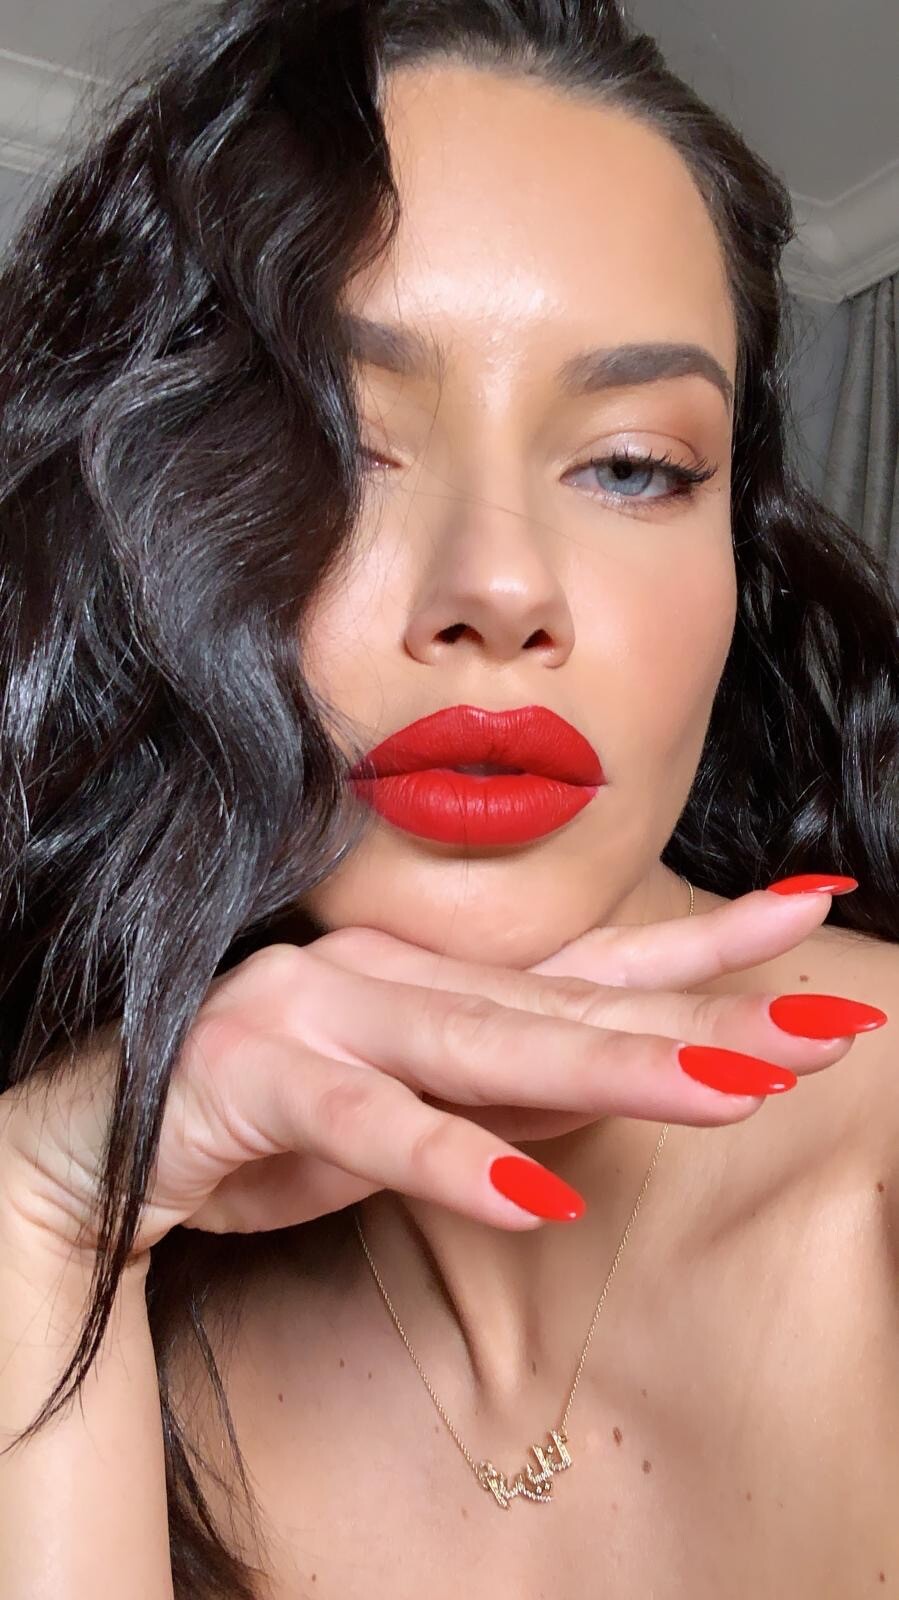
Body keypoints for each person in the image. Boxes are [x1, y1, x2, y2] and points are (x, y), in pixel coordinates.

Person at [0, 0, 897, 1595]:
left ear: (733, 561)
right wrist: (45, 1215)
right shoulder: (125, 1275)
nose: (499, 587)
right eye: (338, 444)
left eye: (632, 464)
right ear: (150, 530)